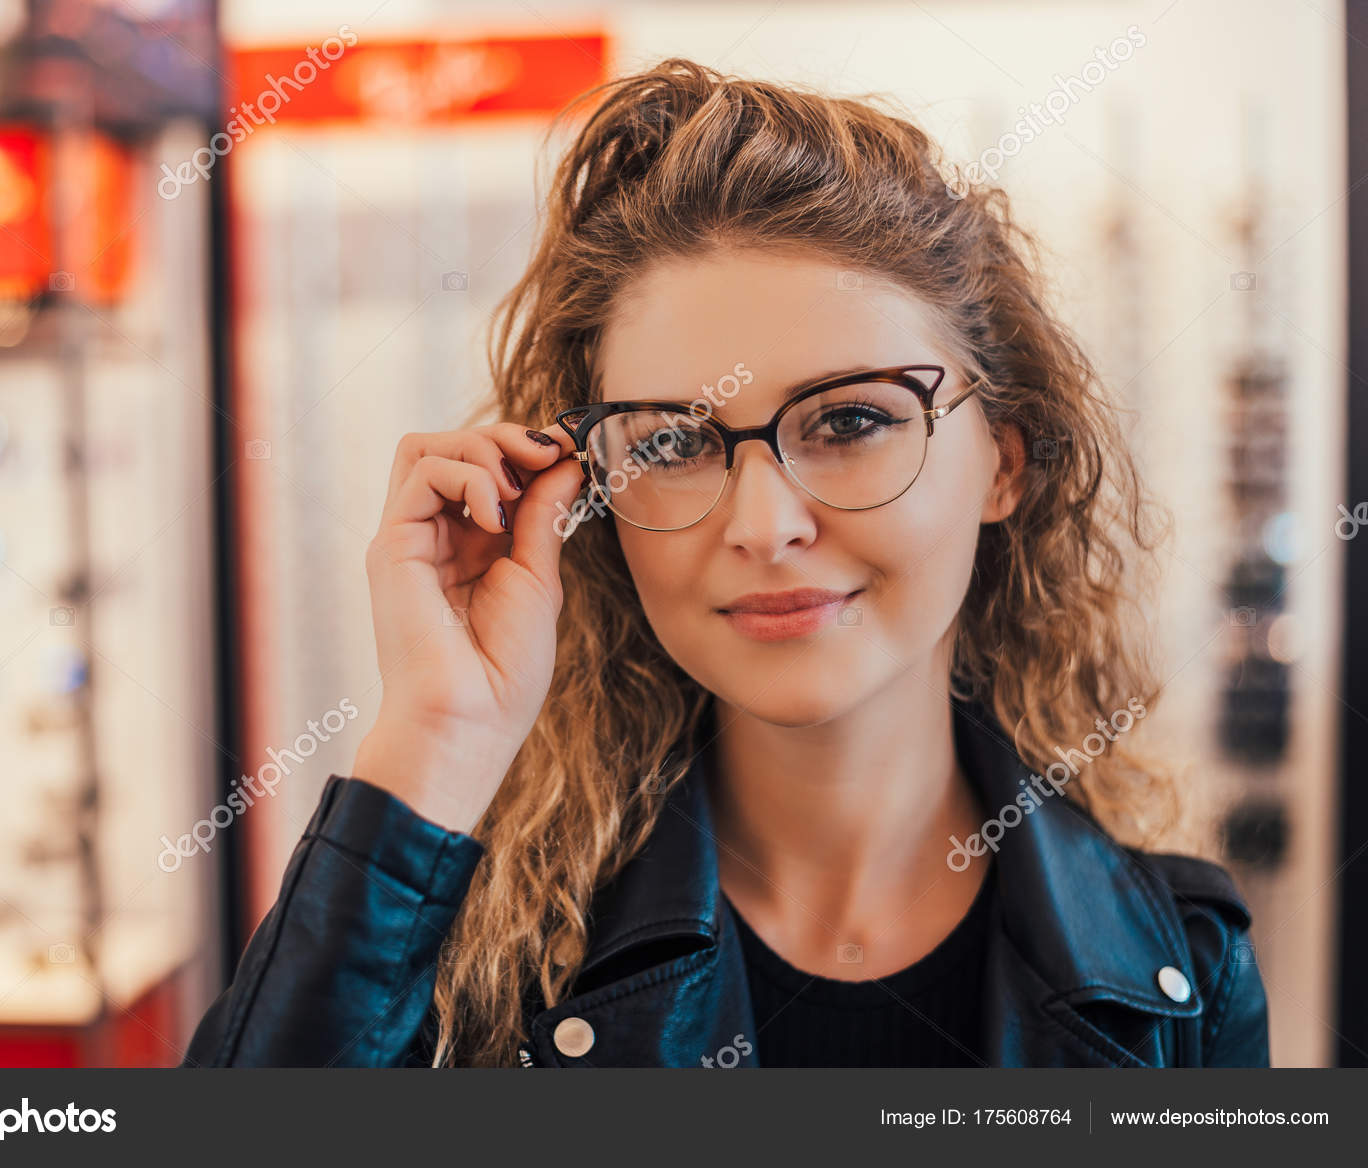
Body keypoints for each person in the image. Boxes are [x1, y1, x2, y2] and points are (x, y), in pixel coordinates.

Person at [182, 58, 1268, 1068]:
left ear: (1004, 465)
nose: (763, 523)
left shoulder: (1179, 978)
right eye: (670, 441)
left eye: (849, 421)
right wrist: (435, 742)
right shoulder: (476, 967)